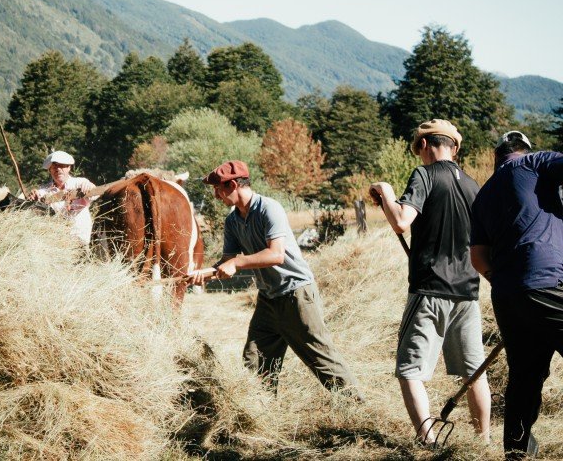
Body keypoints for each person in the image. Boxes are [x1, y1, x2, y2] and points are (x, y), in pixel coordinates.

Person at [189, 160, 359, 396]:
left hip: (297, 294)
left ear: (233, 185)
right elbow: (226, 260)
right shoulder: (232, 221)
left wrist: (237, 263)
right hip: (268, 299)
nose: (216, 195)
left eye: (218, 189)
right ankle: (263, 414)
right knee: (255, 361)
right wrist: (203, 274)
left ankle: (356, 406)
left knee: (322, 360)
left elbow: (275, 255)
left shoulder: (269, 208)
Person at [369, 119, 491, 443]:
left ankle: (429, 442)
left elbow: (401, 222)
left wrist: (385, 192)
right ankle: (484, 443)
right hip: (467, 291)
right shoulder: (474, 185)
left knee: (409, 370)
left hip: (430, 290)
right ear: (455, 147)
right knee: (474, 372)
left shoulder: (424, 175)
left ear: (424, 145)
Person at [470, 131, 563, 459]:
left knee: (524, 374)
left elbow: (478, 257)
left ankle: (516, 450)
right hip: (548, 281)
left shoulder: (483, 196)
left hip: (507, 296)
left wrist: (510, 281)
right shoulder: (534, 163)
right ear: (523, 152)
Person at [29, 151, 95, 246]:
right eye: (54, 167)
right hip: (57, 244)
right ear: (50, 170)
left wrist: (90, 187)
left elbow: (95, 194)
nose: (58, 169)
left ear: (68, 168)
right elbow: (29, 199)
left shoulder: (80, 182)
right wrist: (32, 196)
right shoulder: (44, 191)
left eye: (62, 166)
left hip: (82, 241)